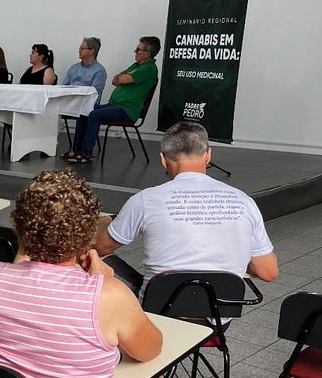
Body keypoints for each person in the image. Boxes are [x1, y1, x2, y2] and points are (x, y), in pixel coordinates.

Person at [0, 170, 162, 378]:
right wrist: (102, 286)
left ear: (20, 226)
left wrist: (25, 247)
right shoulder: (111, 296)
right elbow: (150, 350)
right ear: (88, 233)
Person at [94, 122, 279, 292]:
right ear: (208, 155)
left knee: (89, 253)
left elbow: (101, 247)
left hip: (158, 308)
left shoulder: (145, 200)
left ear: (163, 159)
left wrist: (105, 221)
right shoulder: (244, 201)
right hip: (222, 309)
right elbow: (268, 272)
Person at [66, 36, 160, 164]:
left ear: (147, 53)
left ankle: (87, 154)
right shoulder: (136, 65)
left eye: (138, 49)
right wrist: (123, 78)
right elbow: (115, 80)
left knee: (94, 115)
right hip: (115, 105)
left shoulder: (149, 68)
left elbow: (121, 79)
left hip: (127, 110)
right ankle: (76, 149)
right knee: (84, 109)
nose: (135, 51)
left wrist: (124, 78)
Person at [63, 37, 108, 103]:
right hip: (67, 102)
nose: (79, 51)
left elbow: (93, 95)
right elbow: (63, 87)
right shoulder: (74, 68)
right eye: (79, 48)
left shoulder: (99, 71)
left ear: (92, 51)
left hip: (85, 105)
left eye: (82, 48)